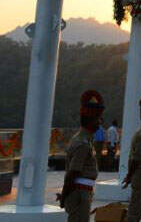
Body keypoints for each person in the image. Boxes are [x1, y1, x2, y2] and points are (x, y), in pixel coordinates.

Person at [59, 90, 104, 222]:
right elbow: (73, 172)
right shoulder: (82, 143)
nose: (100, 123)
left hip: (83, 191)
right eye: (97, 119)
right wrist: (64, 195)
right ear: (90, 121)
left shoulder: (84, 139)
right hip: (79, 192)